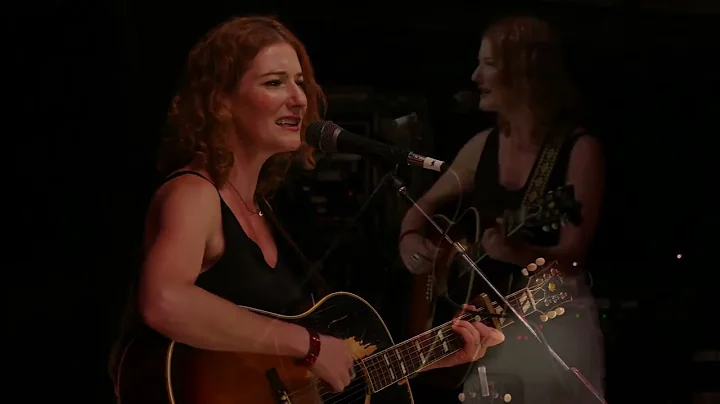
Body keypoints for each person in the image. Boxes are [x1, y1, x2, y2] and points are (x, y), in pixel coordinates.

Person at [108, 15, 504, 402]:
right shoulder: (194, 194)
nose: (299, 98)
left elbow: (303, 383)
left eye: (299, 83)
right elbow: (164, 301)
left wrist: (431, 358)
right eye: (275, 83)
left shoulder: (262, 208)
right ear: (220, 102)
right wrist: (310, 345)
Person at [399, 16, 606, 404]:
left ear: (526, 71)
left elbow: (573, 257)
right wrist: (411, 242)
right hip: (487, 325)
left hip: (552, 320)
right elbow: (421, 209)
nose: (476, 75)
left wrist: (517, 253)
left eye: (489, 64)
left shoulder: (578, 150)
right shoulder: (482, 146)